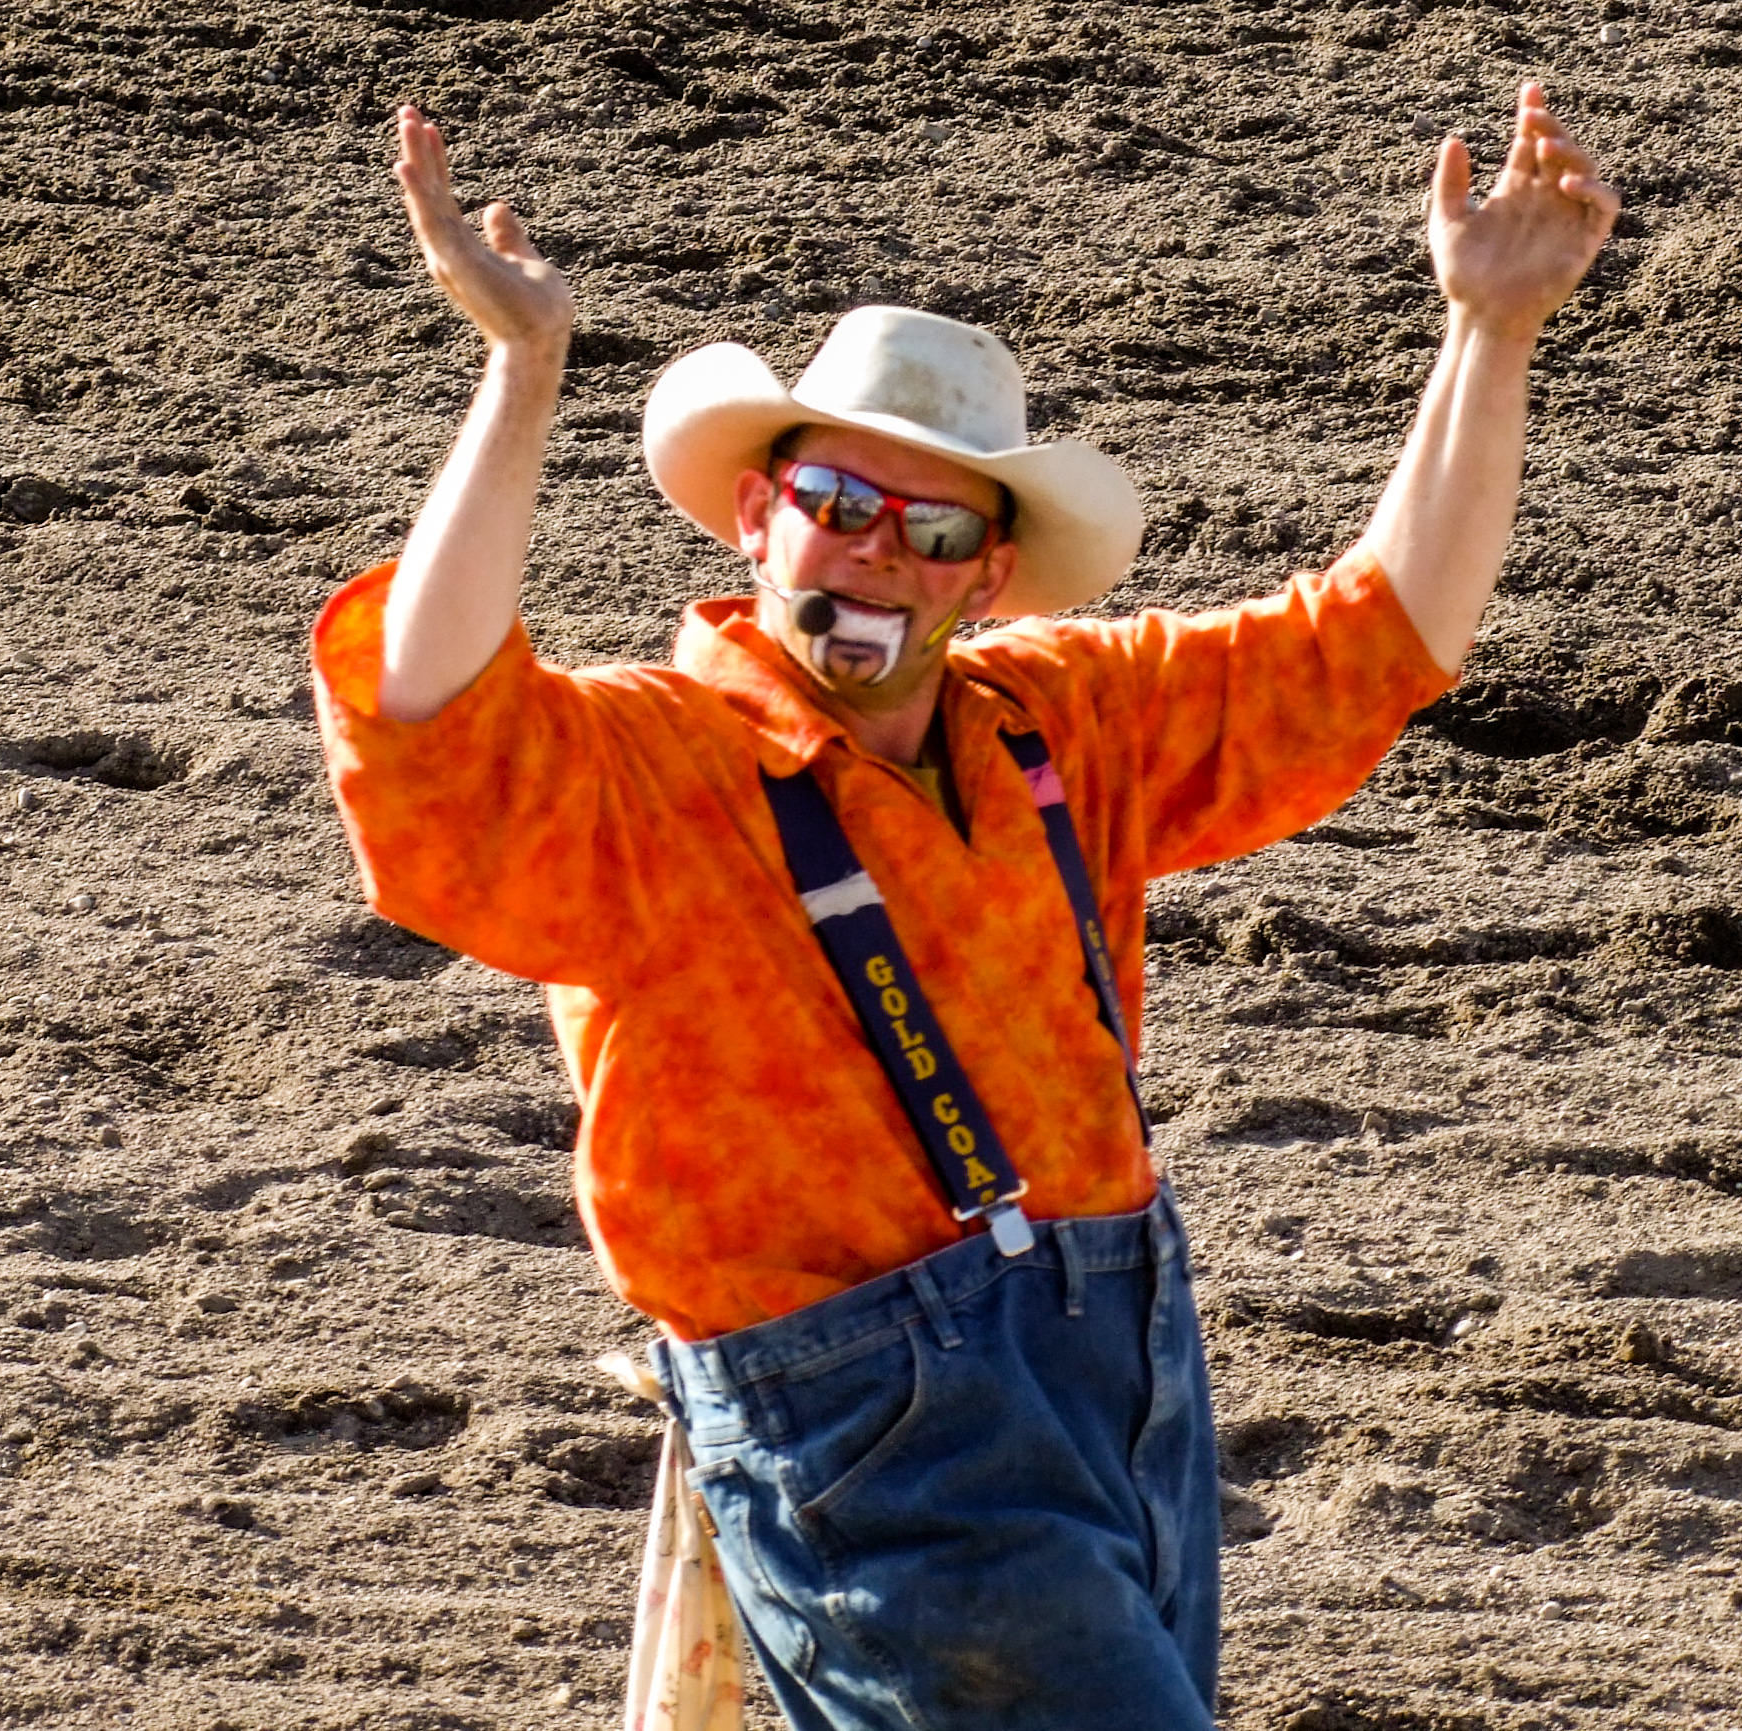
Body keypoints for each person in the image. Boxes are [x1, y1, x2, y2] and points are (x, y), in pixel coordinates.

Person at [310, 85, 1617, 1731]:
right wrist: (521, 379)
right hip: (861, 1430)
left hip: (1119, 1364)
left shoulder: (1061, 722)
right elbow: (431, 722)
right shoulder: (654, 769)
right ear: (756, 514)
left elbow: (1375, 637)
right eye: (837, 505)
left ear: (986, 576)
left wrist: (1490, 335)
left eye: (932, 530)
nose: (876, 555)